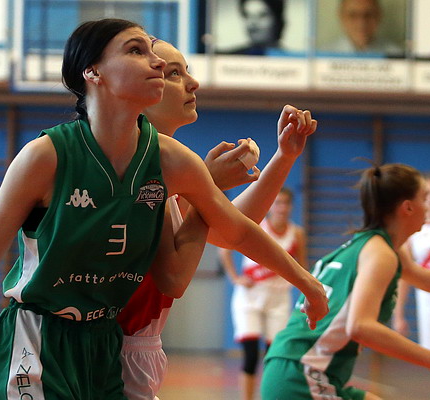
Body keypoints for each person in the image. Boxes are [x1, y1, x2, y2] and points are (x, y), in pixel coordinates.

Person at [0, 18, 327, 400]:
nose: (156, 62)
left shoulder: (172, 161)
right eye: (136, 51)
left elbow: (235, 230)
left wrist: (308, 282)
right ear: (93, 72)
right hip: (37, 336)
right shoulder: (45, 157)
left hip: (104, 346)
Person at [118, 37, 318, 400]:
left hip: (134, 343)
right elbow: (175, 277)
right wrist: (208, 186)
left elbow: (231, 228)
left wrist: (284, 156)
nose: (193, 83)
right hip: (107, 343)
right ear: (142, 88)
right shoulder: (134, 165)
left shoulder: (168, 165)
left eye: (186, 71)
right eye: (174, 73)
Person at [261, 163, 430, 400]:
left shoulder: (378, 246)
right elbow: (360, 327)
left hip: (292, 367)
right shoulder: (381, 254)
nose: (428, 204)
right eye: (424, 198)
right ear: (407, 207)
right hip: (302, 374)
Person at [218, 187, 307, 400]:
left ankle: (269, 396)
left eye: (286, 203)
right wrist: (235, 278)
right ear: (270, 206)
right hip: (250, 298)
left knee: (273, 357)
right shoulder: (257, 226)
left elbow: (302, 267)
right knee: (250, 356)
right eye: (278, 203)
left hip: (279, 299)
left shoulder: (297, 233)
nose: (282, 208)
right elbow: (223, 249)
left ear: (291, 206)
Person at [393, 174, 430, 400]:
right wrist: (398, 313)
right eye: (427, 193)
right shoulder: (414, 231)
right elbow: (405, 275)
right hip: (428, 302)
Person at [321, 0, 403, 56]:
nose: (361, 22)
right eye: (353, 15)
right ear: (341, 17)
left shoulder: (397, 55)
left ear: (379, 16)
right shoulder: (323, 56)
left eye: (368, 14)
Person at [220, 0, 285, 55]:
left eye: (262, 15)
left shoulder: (288, 59)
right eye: (247, 15)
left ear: (277, 20)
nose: (253, 23)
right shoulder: (229, 57)